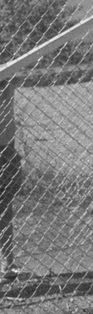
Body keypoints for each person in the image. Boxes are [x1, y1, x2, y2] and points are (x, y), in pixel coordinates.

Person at [0, 79, 20, 281]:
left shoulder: (6, 78)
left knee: (4, 210)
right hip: (6, 150)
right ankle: (8, 264)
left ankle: (8, 265)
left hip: (4, 151)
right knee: (4, 212)